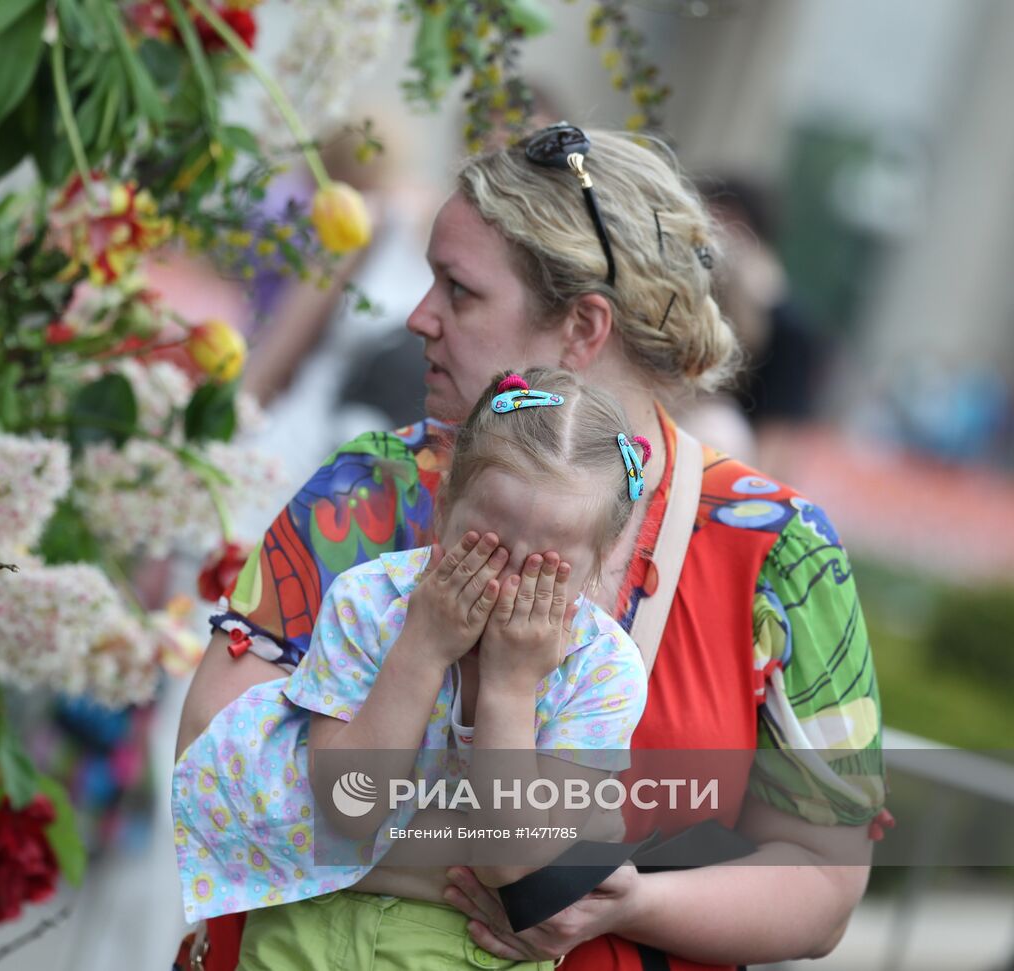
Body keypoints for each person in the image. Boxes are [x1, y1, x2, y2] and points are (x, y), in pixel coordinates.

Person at [176, 123, 887, 970]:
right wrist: (536, 866)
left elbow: (823, 881)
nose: (418, 315)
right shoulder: (370, 490)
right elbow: (209, 760)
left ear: (583, 327)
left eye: (459, 290)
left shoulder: (780, 552)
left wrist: (633, 901)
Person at [174, 369, 652, 966]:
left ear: (598, 564)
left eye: (540, 572)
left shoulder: (602, 671)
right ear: (444, 502)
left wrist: (509, 686)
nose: (501, 587)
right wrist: (420, 649)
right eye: (484, 550)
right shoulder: (370, 603)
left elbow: (512, 863)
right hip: (304, 937)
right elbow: (349, 808)